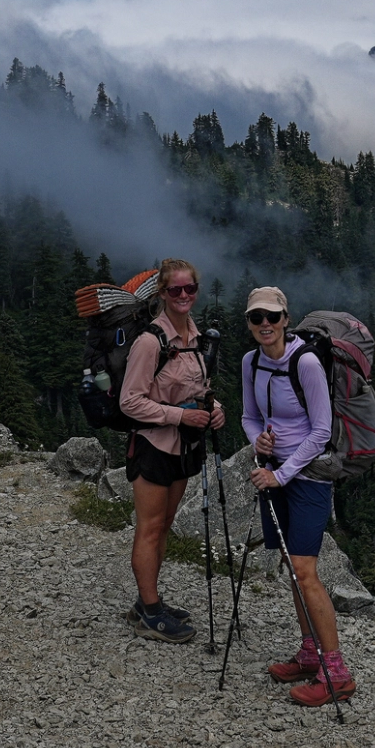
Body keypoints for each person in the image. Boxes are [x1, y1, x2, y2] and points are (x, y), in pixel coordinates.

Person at [242, 286, 353, 705]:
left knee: (305, 571)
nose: (265, 324)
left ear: (286, 319)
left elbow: (321, 431)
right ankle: (310, 654)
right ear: (249, 323)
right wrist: (258, 442)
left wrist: (281, 474)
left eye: (272, 317)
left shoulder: (305, 362)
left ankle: (337, 673)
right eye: (257, 318)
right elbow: (249, 416)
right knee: (292, 565)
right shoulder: (251, 362)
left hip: (307, 477)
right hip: (275, 473)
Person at [118, 257, 224, 642]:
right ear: (162, 293)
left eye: (189, 288)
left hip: (183, 447)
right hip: (153, 447)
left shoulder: (196, 338)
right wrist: (180, 416)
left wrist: (215, 410)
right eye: (175, 289)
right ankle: (150, 614)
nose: (183, 295)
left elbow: (201, 390)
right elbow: (129, 402)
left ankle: (148, 602)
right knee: (149, 529)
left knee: (163, 525)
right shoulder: (150, 342)